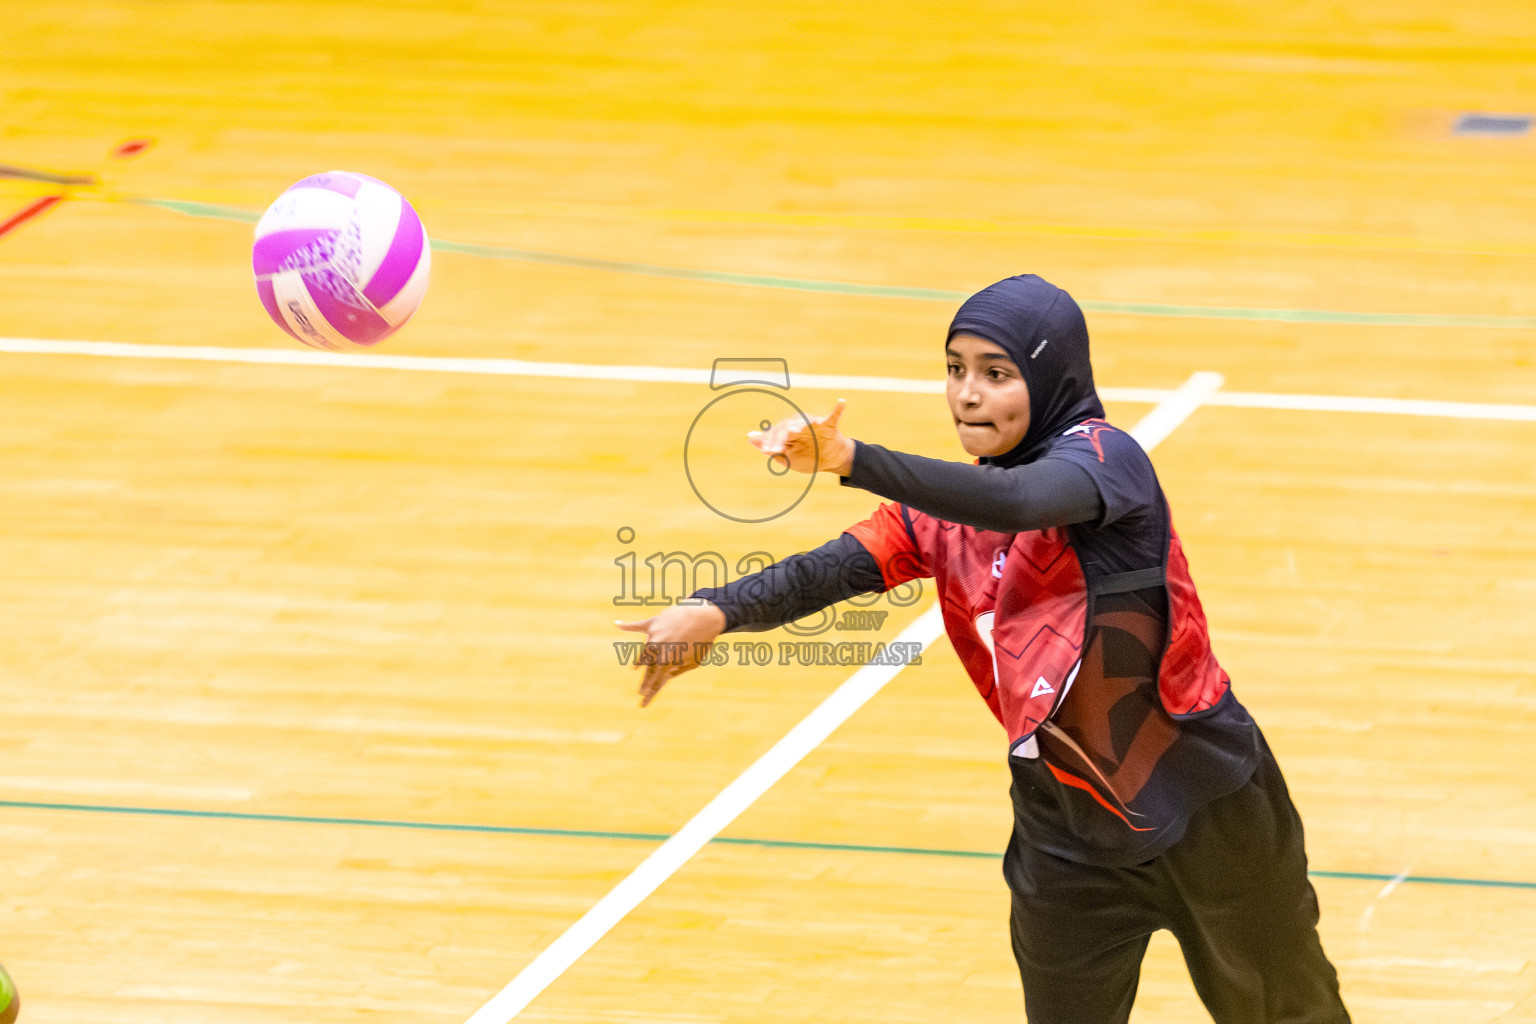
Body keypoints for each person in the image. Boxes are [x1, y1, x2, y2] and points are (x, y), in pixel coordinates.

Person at [614, 274, 1350, 1024]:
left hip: (1205, 805)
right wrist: (716, 610)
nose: (967, 394)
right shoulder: (937, 519)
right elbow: (826, 571)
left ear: (1049, 375)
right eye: (955, 369)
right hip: (1064, 825)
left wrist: (852, 458)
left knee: (1289, 1014)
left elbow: (1019, 502)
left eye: (997, 374)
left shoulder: (1107, 460)